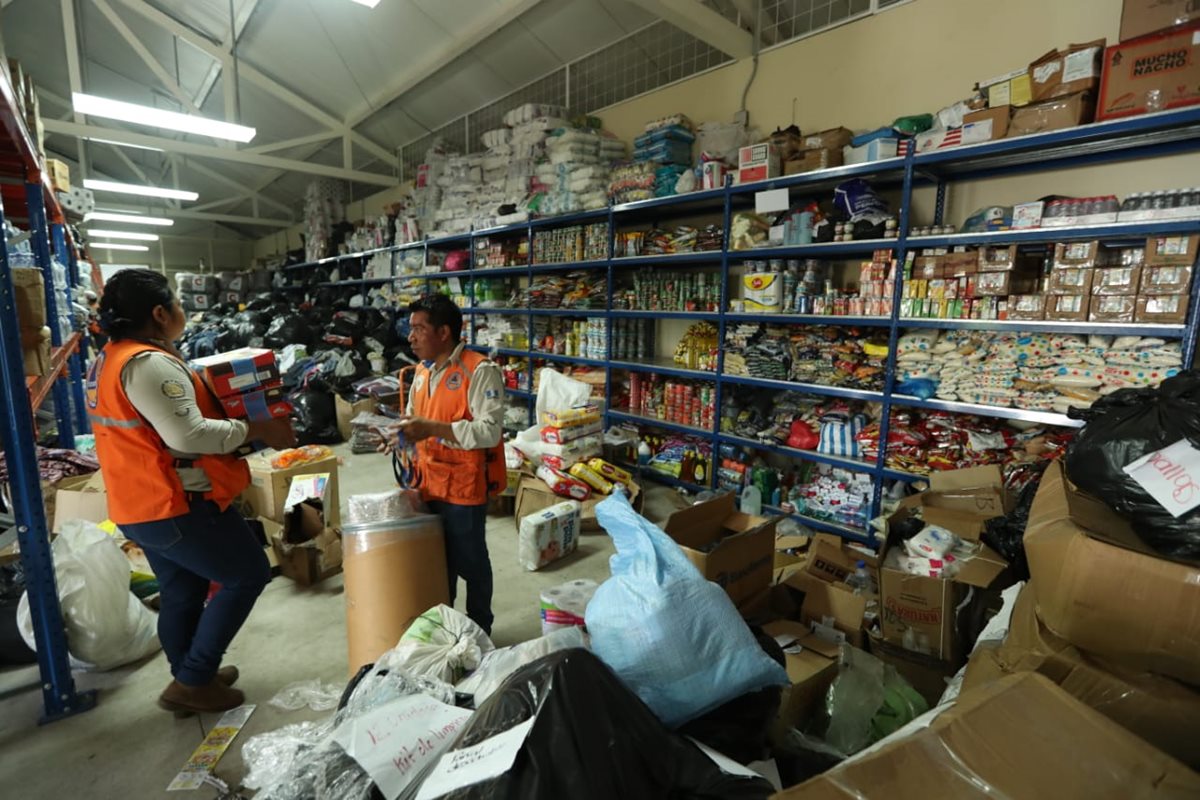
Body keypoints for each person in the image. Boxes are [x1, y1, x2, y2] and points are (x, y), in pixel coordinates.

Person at [86, 269, 296, 714]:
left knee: (182, 592)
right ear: (160, 313)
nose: (181, 309)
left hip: (139, 501)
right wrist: (259, 428)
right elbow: (189, 435)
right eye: (176, 302)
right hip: (174, 505)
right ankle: (194, 679)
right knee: (248, 574)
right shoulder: (148, 365)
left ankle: (187, 677)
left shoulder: (110, 359)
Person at [386, 294, 506, 634]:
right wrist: (399, 436)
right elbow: (415, 420)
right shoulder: (422, 373)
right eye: (410, 329)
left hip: (463, 489)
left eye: (418, 329)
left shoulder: (478, 371)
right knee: (440, 565)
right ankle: (448, 629)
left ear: (444, 332)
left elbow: (489, 431)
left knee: (471, 563)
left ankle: (481, 627)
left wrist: (433, 429)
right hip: (427, 483)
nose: (410, 337)